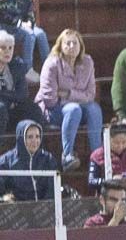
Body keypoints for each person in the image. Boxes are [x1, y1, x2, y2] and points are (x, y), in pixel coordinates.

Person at [36, 27, 102, 167]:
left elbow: (91, 95)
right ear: (61, 46)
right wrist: (78, 97)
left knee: (94, 109)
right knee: (73, 109)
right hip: (52, 111)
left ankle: (97, 156)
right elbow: (50, 99)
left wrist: (67, 94)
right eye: (68, 43)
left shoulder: (87, 62)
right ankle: (67, 156)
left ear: (80, 46)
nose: (72, 46)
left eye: (75, 43)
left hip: (74, 106)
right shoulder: (52, 64)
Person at [0, 0, 46, 72]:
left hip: (23, 26)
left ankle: (49, 68)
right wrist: (19, 23)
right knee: (29, 35)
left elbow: (30, 9)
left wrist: (30, 21)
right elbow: (2, 13)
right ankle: (27, 69)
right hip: (6, 27)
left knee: (40, 34)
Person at [87, 119, 126, 194]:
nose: (120, 146)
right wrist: (111, 180)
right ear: (108, 139)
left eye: (124, 142)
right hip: (110, 197)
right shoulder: (97, 155)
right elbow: (91, 182)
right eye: (116, 142)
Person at [0, 29, 41, 140]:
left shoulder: (17, 65)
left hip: (11, 111)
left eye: (10, 48)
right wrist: (12, 97)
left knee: (33, 109)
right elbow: (16, 95)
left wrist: (3, 94)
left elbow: (23, 94)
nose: (7, 51)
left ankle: (39, 151)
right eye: (3, 48)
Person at [0, 119, 54, 200]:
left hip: (46, 209)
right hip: (18, 209)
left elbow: (52, 190)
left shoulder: (47, 159)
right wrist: (4, 198)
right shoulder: (6, 161)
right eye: (30, 137)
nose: (35, 141)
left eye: (37, 136)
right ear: (21, 138)